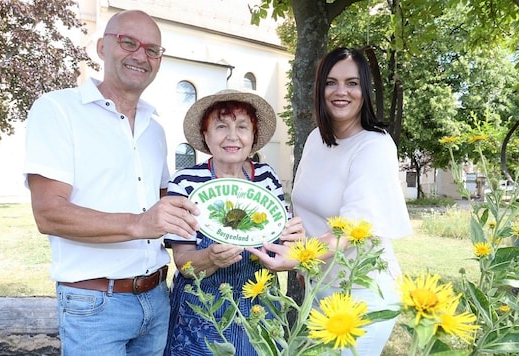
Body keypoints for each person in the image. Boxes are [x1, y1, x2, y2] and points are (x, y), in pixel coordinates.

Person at [23, 10, 200, 356]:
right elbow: (48, 214)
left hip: (157, 298)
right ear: (102, 47)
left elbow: (167, 208)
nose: (140, 56)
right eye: (128, 42)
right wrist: (140, 223)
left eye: (152, 50)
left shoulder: (155, 129)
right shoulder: (58, 110)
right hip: (93, 305)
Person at [163, 90, 304, 355]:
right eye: (220, 127)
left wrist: (292, 242)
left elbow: (282, 241)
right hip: (202, 311)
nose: (232, 136)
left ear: (253, 136)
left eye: (242, 127)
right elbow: (183, 262)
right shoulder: (185, 181)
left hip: (259, 308)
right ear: (205, 136)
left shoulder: (267, 177)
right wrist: (210, 258)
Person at [290, 47, 413, 355]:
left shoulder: (375, 146)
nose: (341, 91)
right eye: (331, 82)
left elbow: (351, 230)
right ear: (320, 89)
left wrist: (298, 259)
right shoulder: (316, 139)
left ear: (365, 90)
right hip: (319, 287)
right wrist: (306, 268)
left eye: (352, 83)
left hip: (362, 291)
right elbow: (303, 209)